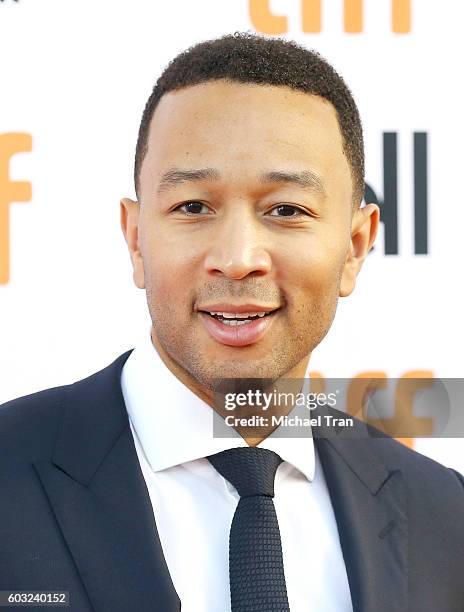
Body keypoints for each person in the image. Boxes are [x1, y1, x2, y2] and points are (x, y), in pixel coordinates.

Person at [0, 33, 463, 612]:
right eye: (193, 207)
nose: (240, 256)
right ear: (136, 238)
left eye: (287, 210)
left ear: (355, 246)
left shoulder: (443, 515)